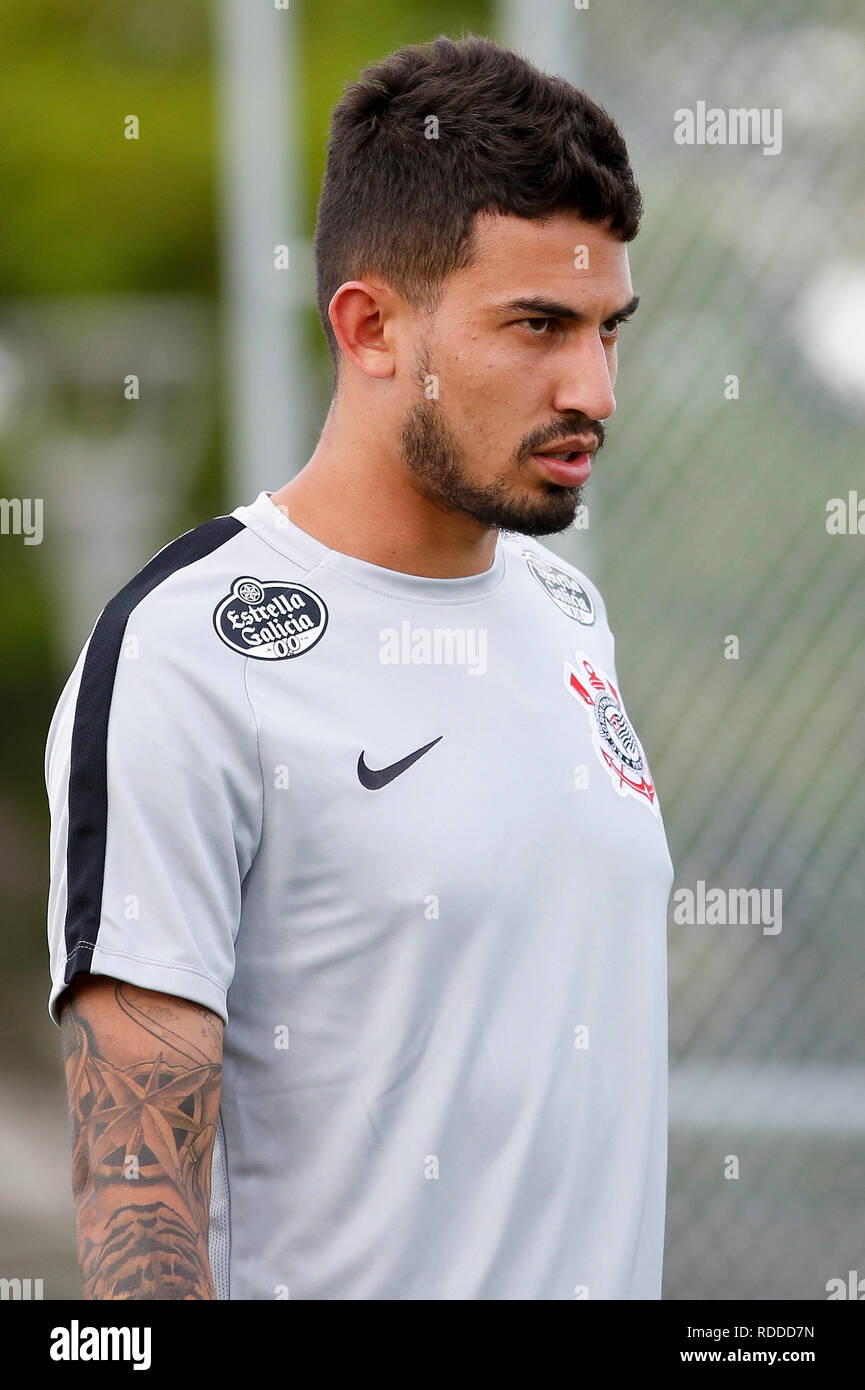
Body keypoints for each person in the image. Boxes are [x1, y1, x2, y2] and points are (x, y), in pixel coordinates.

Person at [45, 33, 674, 1300]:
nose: (593, 387)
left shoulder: (568, 613)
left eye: (610, 328)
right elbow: (135, 1216)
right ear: (370, 326)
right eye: (538, 325)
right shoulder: (185, 654)